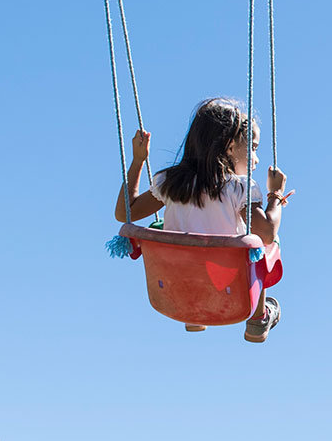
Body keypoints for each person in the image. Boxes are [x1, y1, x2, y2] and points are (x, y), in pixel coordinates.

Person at [112, 98, 290, 341]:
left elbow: (125, 213)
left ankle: (194, 316)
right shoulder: (239, 189)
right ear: (229, 146)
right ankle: (258, 318)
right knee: (265, 244)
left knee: (169, 230)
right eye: (253, 148)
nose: (256, 159)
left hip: (178, 286)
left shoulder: (171, 184)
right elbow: (267, 231)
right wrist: (275, 195)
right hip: (228, 285)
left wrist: (138, 160)